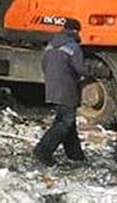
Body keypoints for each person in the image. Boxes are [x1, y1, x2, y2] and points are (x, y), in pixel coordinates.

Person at [34, 18, 95, 166]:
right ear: (75, 31)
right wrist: (95, 71)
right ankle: (43, 151)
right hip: (67, 87)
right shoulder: (73, 47)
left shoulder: (51, 44)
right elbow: (79, 68)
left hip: (52, 86)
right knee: (64, 122)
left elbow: (44, 64)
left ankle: (75, 155)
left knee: (68, 121)